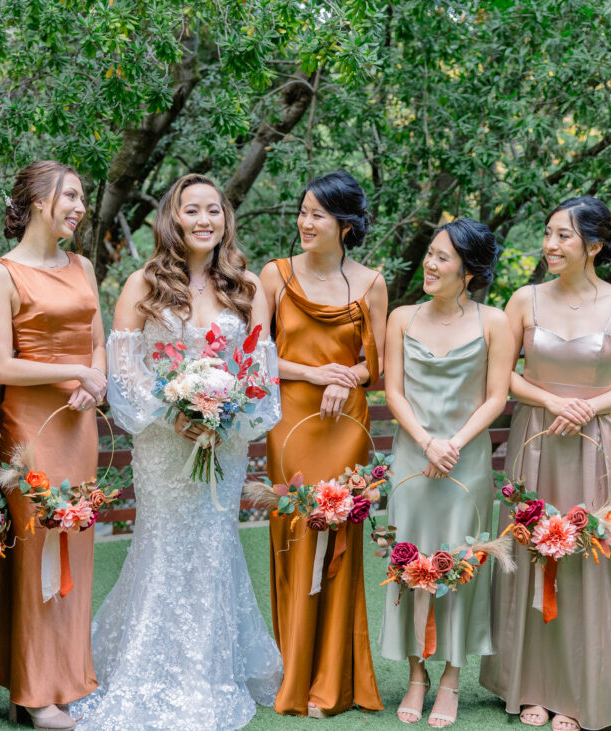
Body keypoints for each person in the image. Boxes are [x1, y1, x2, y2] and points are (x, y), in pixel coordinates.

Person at [71, 174, 282, 730]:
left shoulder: (247, 285)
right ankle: (144, 664)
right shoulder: (143, 283)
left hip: (224, 443)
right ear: (174, 217)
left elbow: (259, 371)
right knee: (162, 543)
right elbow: (126, 369)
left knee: (214, 544)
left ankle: (208, 671)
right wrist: (175, 414)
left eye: (214, 209)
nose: (204, 219)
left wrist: (226, 416)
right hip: (164, 447)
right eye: (193, 210)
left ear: (225, 219)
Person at [479, 197, 611, 731]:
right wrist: (553, 402)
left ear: (594, 245)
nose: (551, 245)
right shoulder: (523, 300)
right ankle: (529, 685)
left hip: (597, 444)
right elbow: (502, 375)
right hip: (537, 438)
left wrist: (587, 407)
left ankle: (581, 693)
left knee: (586, 556)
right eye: (548, 234)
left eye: (564, 237)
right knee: (532, 550)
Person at [0, 161, 106, 729]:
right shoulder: (3, 274)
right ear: (38, 199)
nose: (78, 206)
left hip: (78, 425)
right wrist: (75, 369)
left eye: (81, 197)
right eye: (70, 195)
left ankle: (64, 677)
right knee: (35, 549)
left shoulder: (84, 265)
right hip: (29, 428)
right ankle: (31, 689)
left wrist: (93, 384)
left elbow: (98, 341)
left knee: (75, 546)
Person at [258, 171, 387, 718]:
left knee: (338, 540)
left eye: (317, 215)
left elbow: (375, 366)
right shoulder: (275, 275)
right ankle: (295, 675)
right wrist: (320, 375)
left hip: (345, 426)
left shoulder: (372, 284)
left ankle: (334, 680)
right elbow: (257, 356)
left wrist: (345, 379)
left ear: (346, 225)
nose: (304, 223)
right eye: (303, 212)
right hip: (290, 421)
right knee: (295, 530)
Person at [380, 218, 513, 727]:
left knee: (458, 564)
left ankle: (453, 678)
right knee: (410, 558)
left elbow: (496, 396)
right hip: (413, 456)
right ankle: (416, 674)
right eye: (430, 254)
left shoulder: (494, 321)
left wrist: (453, 443)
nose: (429, 264)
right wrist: (426, 442)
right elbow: (393, 390)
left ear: (470, 271)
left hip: (467, 459)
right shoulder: (401, 317)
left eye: (442, 257)